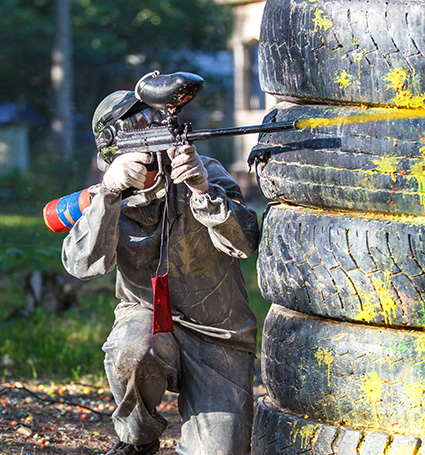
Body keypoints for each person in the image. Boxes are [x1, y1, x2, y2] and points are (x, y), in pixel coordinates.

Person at [61, 84, 259, 455]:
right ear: (114, 152)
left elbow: (246, 243)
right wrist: (108, 194)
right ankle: (138, 439)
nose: (150, 156)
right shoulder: (110, 194)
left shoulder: (204, 173)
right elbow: (81, 265)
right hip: (150, 323)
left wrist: (202, 191)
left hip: (219, 337)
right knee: (130, 349)